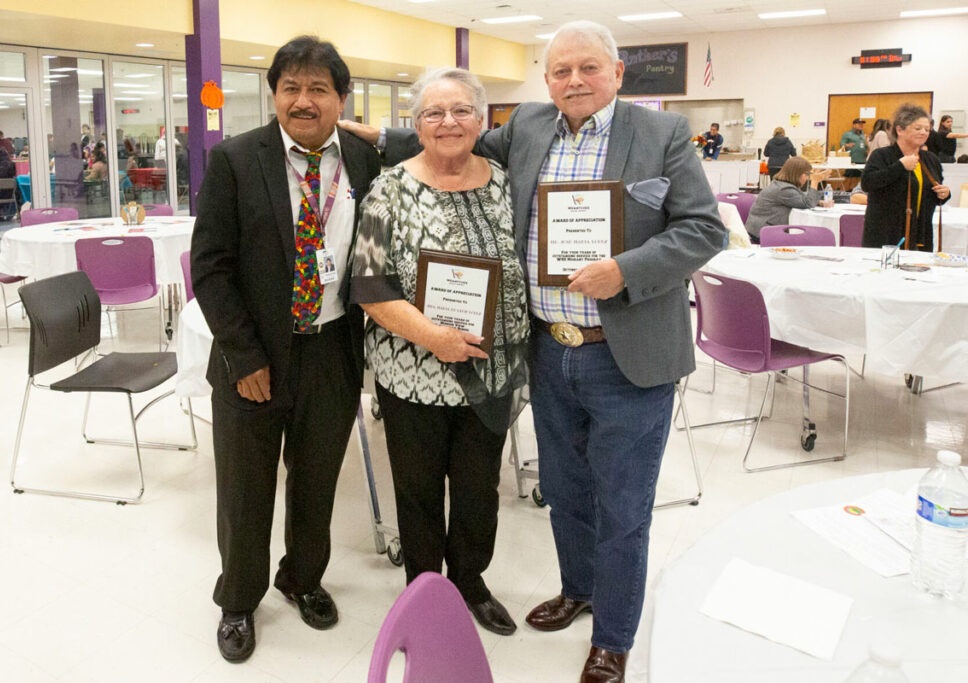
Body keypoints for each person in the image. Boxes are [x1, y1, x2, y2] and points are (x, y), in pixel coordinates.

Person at [343, 20, 726, 682]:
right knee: (567, 491)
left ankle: (612, 635)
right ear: (545, 79)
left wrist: (626, 269)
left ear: (617, 72)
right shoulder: (529, 127)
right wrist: (372, 134)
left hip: (625, 354)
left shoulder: (661, 135)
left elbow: (703, 229)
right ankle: (577, 588)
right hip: (550, 353)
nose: (574, 81)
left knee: (623, 503)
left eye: (588, 68)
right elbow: (448, 129)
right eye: (560, 71)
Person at [190, 35, 381, 664]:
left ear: (341, 99)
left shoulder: (363, 160)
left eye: (319, 88)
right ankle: (238, 598)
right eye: (291, 87)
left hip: (332, 350)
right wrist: (244, 357)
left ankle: (303, 577)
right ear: (273, 95)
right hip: (255, 357)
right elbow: (211, 268)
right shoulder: (236, 160)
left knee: (318, 479)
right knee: (245, 486)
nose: (304, 100)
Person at [351, 68, 529, 637]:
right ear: (417, 125)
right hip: (413, 375)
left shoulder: (507, 183)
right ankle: (426, 594)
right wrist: (434, 338)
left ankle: (471, 583)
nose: (447, 122)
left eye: (460, 111)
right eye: (433, 113)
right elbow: (370, 286)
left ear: (481, 120)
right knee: (419, 489)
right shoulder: (390, 188)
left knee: (480, 489)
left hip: (493, 371)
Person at [862, 104, 950, 250]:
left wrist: (944, 194)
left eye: (927, 129)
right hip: (886, 235)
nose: (924, 132)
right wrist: (899, 166)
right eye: (918, 128)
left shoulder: (931, 160)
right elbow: (868, 183)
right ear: (899, 129)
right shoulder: (882, 155)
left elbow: (929, 195)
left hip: (920, 235)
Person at [744, 157, 830, 242]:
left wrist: (819, 202)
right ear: (797, 174)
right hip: (761, 232)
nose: (807, 178)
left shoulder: (781, 185)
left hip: (757, 227)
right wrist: (815, 182)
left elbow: (800, 198)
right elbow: (808, 204)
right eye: (806, 175)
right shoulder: (784, 189)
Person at [839, 118, 867, 189]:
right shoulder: (847, 134)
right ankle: (844, 192)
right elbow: (841, 144)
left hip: (862, 160)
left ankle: (854, 192)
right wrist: (848, 145)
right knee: (849, 178)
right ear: (854, 125)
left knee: (858, 178)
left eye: (862, 124)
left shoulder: (863, 135)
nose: (861, 125)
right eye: (859, 124)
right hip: (852, 160)